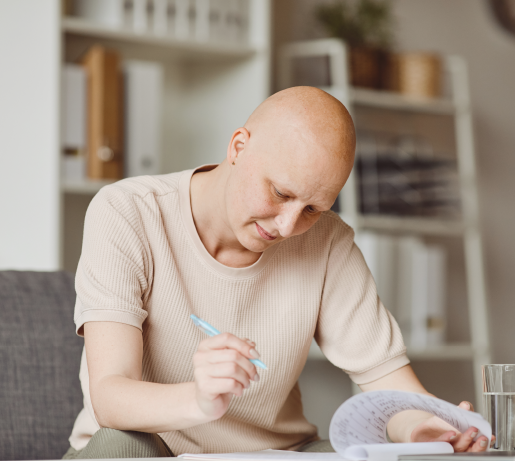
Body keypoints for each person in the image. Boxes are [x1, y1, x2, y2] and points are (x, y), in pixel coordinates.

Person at [64, 87, 490, 459]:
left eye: (312, 209)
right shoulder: (128, 212)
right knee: (123, 447)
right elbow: (111, 395)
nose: (286, 227)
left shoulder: (327, 242)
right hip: (146, 448)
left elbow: (387, 385)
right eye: (280, 193)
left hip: (272, 455)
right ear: (238, 147)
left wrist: (423, 431)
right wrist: (198, 399)